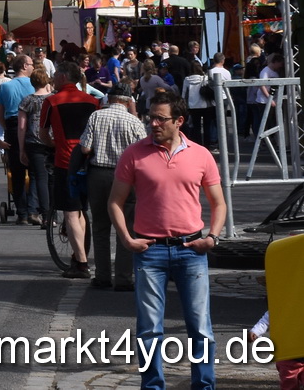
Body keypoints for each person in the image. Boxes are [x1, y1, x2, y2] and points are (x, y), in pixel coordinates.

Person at [109, 90, 227, 390]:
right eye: (151, 118)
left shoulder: (201, 155)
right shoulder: (134, 154)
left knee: (200, 328)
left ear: (179, 121)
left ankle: (204, 386)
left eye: (161, 119)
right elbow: (115, 201)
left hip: (191, 249)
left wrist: (212, 237)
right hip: (149, 252)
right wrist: (126, 239)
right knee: (149, 329)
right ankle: (152, 387)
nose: (154, 124)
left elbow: (219, 202)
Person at [79, 85, 145, 291]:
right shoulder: (134, 121)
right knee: (126, 227)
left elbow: (85, 147)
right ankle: (124, 278)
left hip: (98, 174)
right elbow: (144, 152)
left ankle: (102, 276)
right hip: (126, 177)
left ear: (110, 98)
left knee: (100, 226)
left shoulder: (96, 117)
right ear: (128, 101)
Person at [41, 63, 99, 278]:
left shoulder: (51, 101)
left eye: (55, 74)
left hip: (65, 160)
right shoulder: (93, 101)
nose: (52, 78)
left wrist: (53, 146)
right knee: (81, 210)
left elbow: (43, 133)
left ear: (63, 76)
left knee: (70, 212)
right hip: (88, 160)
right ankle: (79, 255)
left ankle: (81, 263)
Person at [0, 57, 35, 219]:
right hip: (32, 125)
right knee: (35, 170)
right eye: (31, 64)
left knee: (17, 172)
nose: (33, 67)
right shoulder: (36, 85)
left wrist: (8, 128)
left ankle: (22, 212)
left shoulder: (5, 86)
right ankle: (34, 208)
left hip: (12, 125)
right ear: (25, 66)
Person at [18, 68, 55, 226]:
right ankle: (54, 214)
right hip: (53, 141)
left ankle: (45, 215)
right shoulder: (53, 99)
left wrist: (21, 149)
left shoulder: (27, 100)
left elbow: (21, 127)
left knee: (40, 178)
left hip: (34, 141)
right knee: (53, 179)